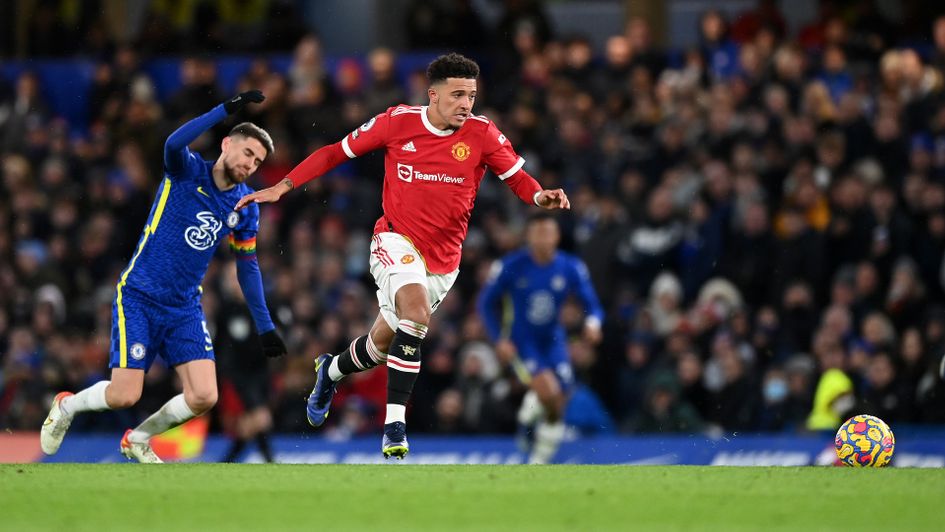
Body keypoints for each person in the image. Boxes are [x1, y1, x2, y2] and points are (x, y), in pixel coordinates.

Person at [236, 53, 570, 459]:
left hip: (443, 262)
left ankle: (331, 369)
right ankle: (395, 426)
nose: (467, 103)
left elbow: (517, 177)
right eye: (458, 95)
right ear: (433, 94)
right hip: (394, 240)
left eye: (472, 95)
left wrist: (539, 194)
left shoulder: (482, 134)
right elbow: (334, 153)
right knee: (415, 314)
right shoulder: (398, 122)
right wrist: (282, 186)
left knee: (380, 345)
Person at [40, 91, 287, 463]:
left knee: (205, 396)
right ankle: (67, 406)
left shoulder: (246, 207)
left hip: (184, 306)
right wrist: (225, 109)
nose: (252, 164)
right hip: (139, 295)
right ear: (226, 145)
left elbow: (247, 267)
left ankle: (137, 439)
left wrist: (265, 325)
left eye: (259, 160)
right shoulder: (186, 169)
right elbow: (173, 141)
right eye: (248, 153)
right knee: (125, 394)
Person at [476, 213, 604, 463]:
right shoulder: (511, 265)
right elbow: (485, 303)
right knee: (551, 390)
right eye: (538, 233)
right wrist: (498, 339)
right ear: (528, 236)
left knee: (560, 399)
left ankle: (527, 421)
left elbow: (592, 304)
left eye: (548, 233)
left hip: (554, 339)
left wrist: (592, 323)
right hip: (521, 342)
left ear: (556, 236)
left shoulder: (570, 267)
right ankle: (539, 460)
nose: (543, 239)